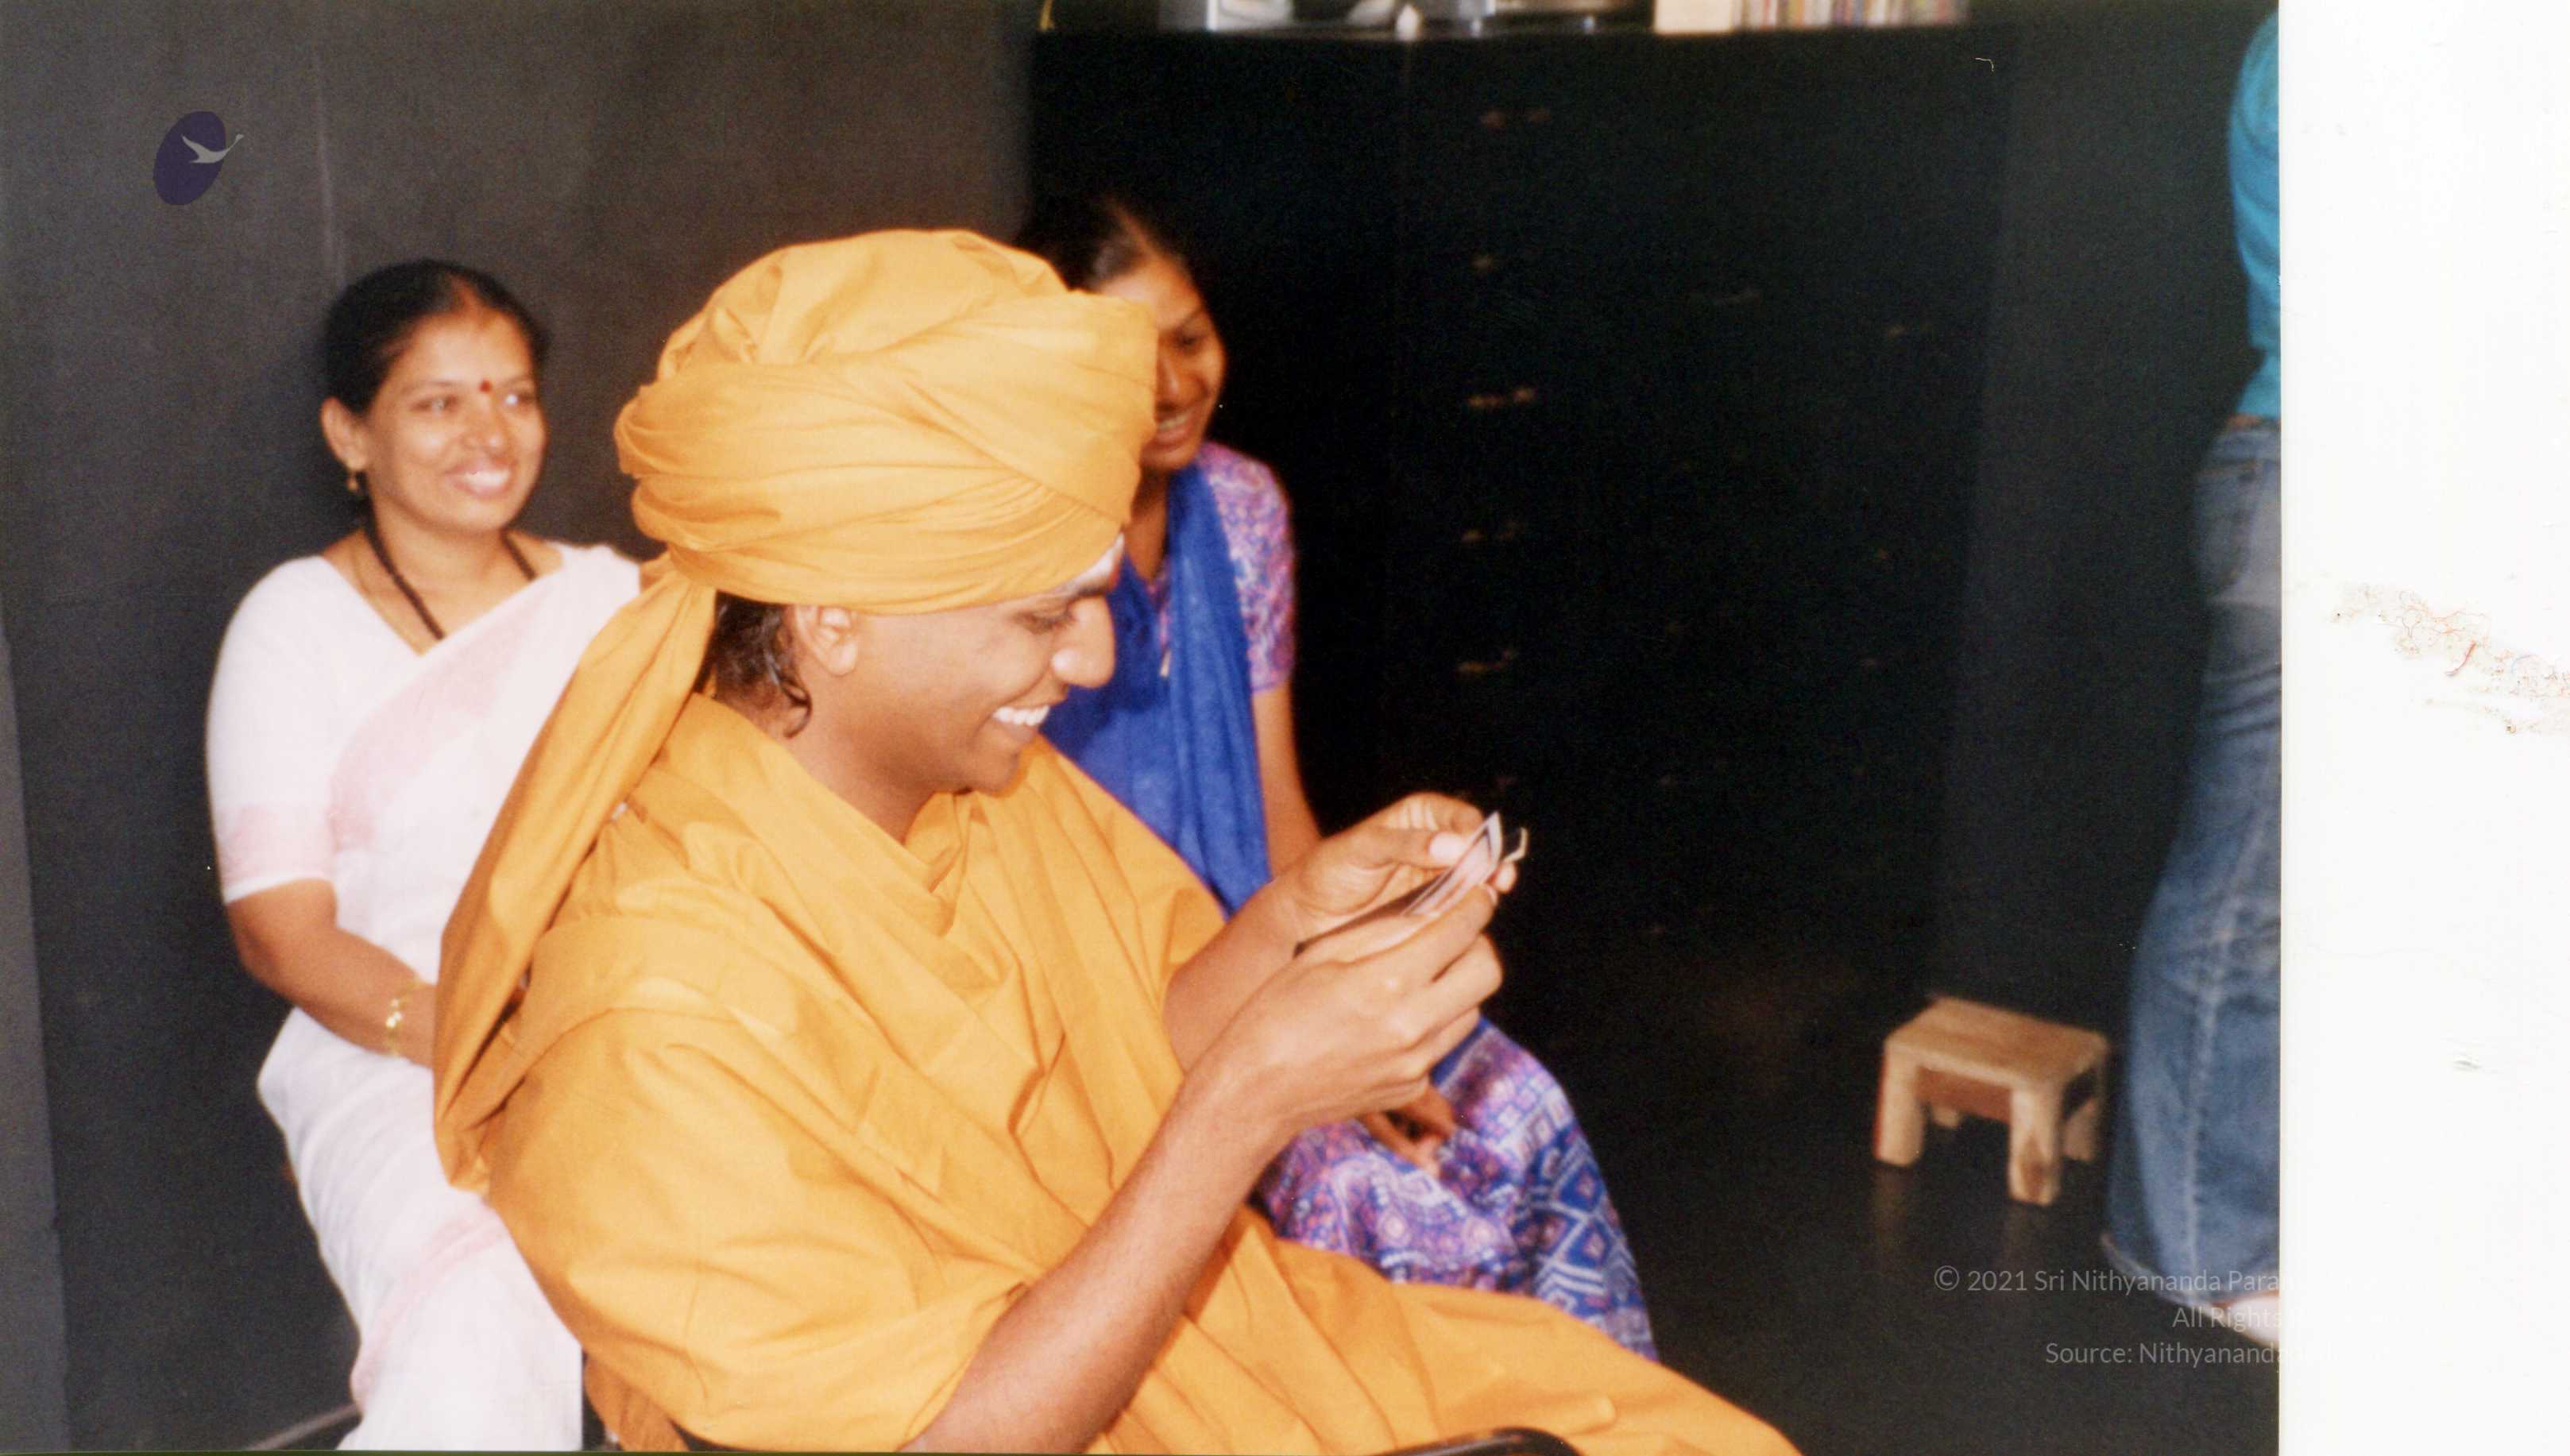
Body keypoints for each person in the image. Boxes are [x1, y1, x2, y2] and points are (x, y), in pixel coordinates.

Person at [432, 230, 1792, 1454]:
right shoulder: (642, 1017)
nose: (1091, 659)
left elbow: (1135, 1047)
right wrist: (1247, 1106)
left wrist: (1295, 920)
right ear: (831, 618)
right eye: (1041, 616)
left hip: (1196, 1339)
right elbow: (947, 1436)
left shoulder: (970, 782)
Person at [1016, 195, 1655, 1356]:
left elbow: (1276, 806)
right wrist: (1312, 1054)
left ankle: (1572, 1416)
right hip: (1117, 1010)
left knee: (1511, 1103)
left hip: (1265, 944)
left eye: (1192, 338)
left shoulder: (1241, 509)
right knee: (1379, 1196)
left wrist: (1371, 984)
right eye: (1130, 358)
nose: (1174, 384)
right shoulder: (1019, 550)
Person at [207, 260, 638, 1446]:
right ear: (351, 433)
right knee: (477, 1309)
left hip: (624, 1027)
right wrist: (475, 1040)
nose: (489, 434)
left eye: (514, 395)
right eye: (439, 403)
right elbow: (280, 932)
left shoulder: (613, 605)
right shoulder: (295, 624)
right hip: (395, 1049)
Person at [2102, 11, 2280, 1347]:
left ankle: (2232, 1233)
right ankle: (2199, 1254)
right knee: (2244, 890)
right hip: (2314, 469)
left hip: (2310, 464)